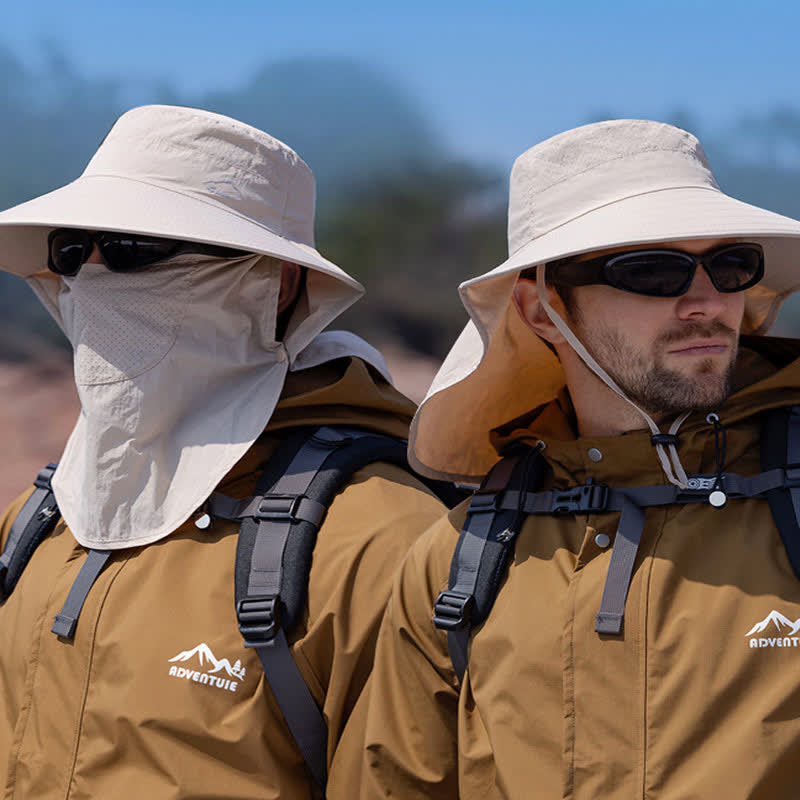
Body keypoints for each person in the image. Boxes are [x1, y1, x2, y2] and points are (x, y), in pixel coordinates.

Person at [329, 119, 800, 799]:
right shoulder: (459, 557)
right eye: (652, 271)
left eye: (730, 266)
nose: (707, 301)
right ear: (543, 309)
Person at [0, 105, 446, 799]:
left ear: (276, 283)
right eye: (68, 252)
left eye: (130, 248)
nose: (90, 279)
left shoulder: (380, 541)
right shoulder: (39, 519)